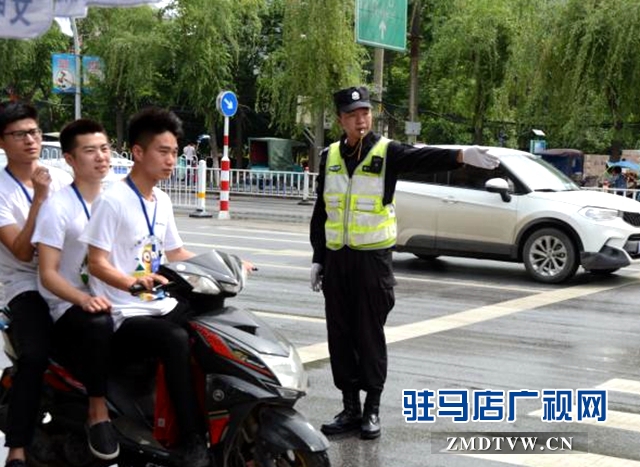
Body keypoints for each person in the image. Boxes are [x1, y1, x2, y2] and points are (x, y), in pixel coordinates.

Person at [309, 86, 500, 440]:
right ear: (340, 120)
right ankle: (349, 408)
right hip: (337, 262)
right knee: (340, 336)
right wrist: (318, 258)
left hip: (372, 263)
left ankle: (372, 409)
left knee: (369, 336)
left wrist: (461, 155)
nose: (361, 120)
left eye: (365, 113)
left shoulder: (387, 151)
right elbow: (322, 210)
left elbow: (422, 157)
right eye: (352, 115)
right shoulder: (329, 156)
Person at [78, 107, 210, 467]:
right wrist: (131, 283)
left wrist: (223, 263)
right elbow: (96, 262)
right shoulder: (112, 201)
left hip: (157, 304)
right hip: (123, 312)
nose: (171, 160)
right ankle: (191, 438)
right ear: (138, 152)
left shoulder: (161, 200)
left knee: (213, 321)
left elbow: (176, 252)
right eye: (163, 152)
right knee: (175, 339)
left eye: (174, 152)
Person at [32, 119, 118, 460]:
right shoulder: (58, 207)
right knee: (98, 324)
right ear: (69, 159)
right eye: (90, 151)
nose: (101, 157)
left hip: (114, 297)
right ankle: (98, 412)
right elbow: (48, 274)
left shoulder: (116, 199)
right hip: (67, 306)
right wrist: (83, 298)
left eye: (105, 148)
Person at [0, 101, 72, 467]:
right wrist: (40, 199)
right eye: (19, 134)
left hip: (66, 276)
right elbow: (21, 250)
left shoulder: (61, 177)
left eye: (34, 132)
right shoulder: (2, 190)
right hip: (25, 283)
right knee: (34, 355)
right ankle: (17, 448)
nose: (30, 140)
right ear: (2, 142)